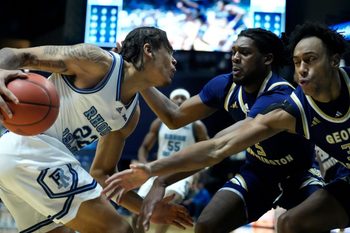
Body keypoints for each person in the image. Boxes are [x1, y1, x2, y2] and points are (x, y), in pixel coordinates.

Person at [105, 22, 350, 233]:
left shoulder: (279, 98)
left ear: (267, 59)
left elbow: (219, 145)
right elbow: (182, 121)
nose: (234, 57)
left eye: (244, 52)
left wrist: (158, 176)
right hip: (258, 173)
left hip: (299, 173)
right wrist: (138, 75)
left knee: (294, 224)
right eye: (233, 51)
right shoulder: (232, 88)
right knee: (206, 225)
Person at [0, 26, 192, 233]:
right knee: (119, 230)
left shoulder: (130, 116)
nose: (175, 61)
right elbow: (14, 53)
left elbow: (102, 174)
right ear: (148, 50)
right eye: (170, 51)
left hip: (15, 162)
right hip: (30, 147)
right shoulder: (97, 62)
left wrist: (145, 207)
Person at [133, 88, 209, 233]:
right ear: (170, 100)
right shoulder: (159, 123)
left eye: (183, 98)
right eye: (177, 97)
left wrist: (198, 175)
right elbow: (144, 147)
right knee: (138, 205)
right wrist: (145, 165)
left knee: (168, 204)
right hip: (158, 169)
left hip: (182, 173)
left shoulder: (196, 125)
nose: (180, 100)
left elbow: (207, 154)